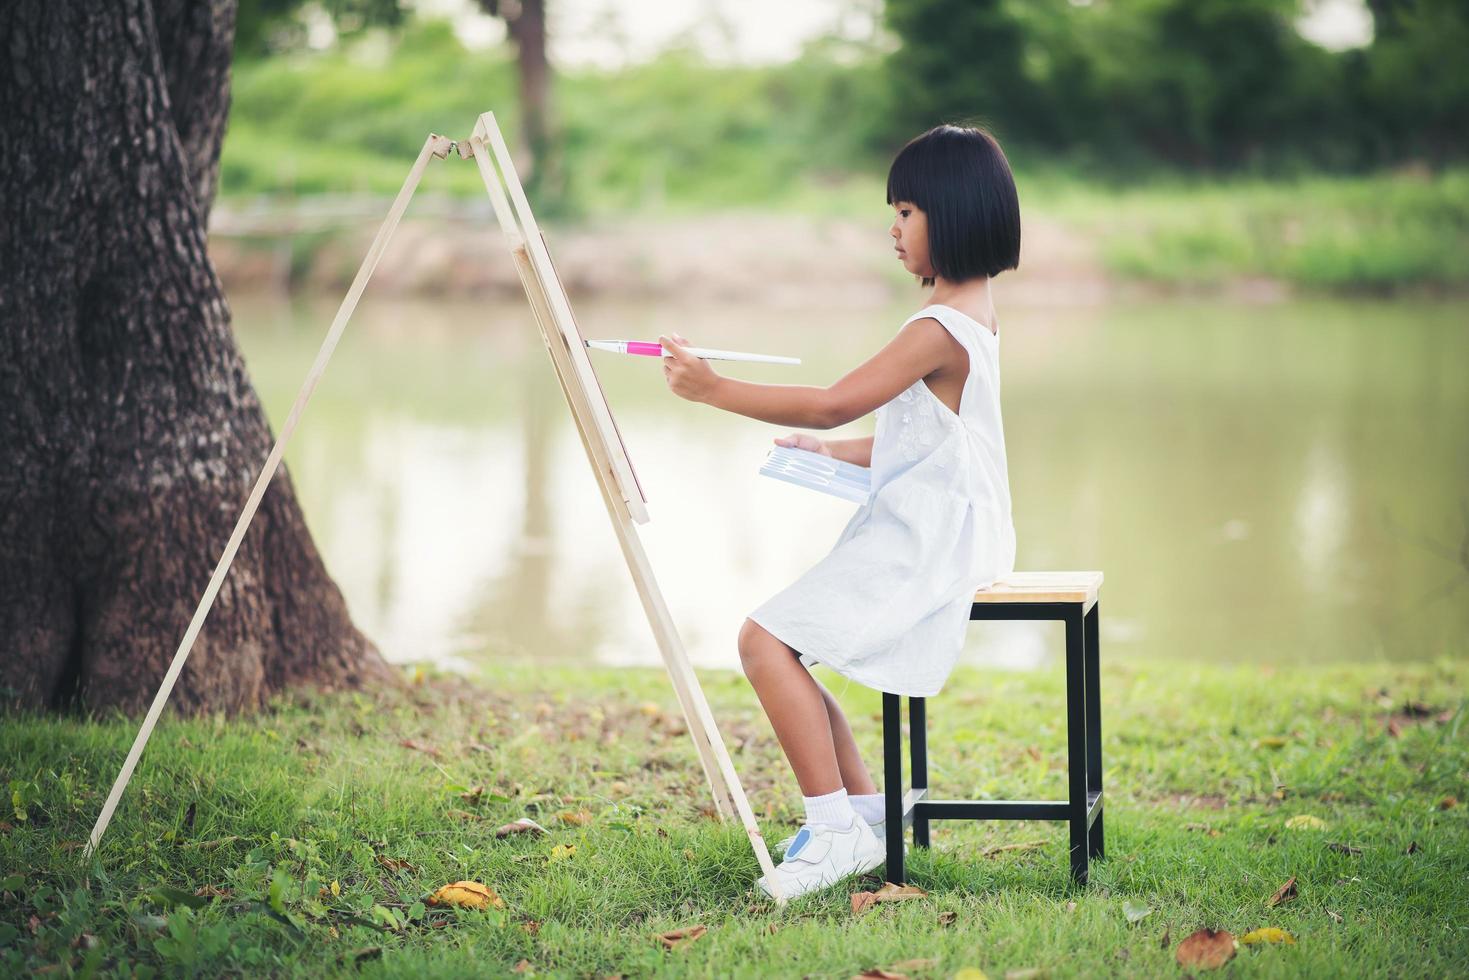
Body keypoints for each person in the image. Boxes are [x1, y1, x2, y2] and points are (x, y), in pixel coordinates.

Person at [659, 123, 1020, 901]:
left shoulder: (935, 329)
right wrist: (833, 455)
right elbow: (930, 440)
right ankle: (860, 813)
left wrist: (712, 388)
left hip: (930, 540)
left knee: (764, 641)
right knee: (782, 643)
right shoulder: (973, 319)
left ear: (952, 215)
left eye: (907, 212)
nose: (892, 230)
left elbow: (828, 403)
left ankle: (831, 835)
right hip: (949, 523)